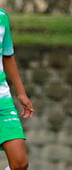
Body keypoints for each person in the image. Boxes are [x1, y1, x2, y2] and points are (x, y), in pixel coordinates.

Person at [0, 9, 35, 170]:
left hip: (3, 101)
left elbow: (7, 56)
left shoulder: (2, 17)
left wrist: (21, 93)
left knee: (20, 163)